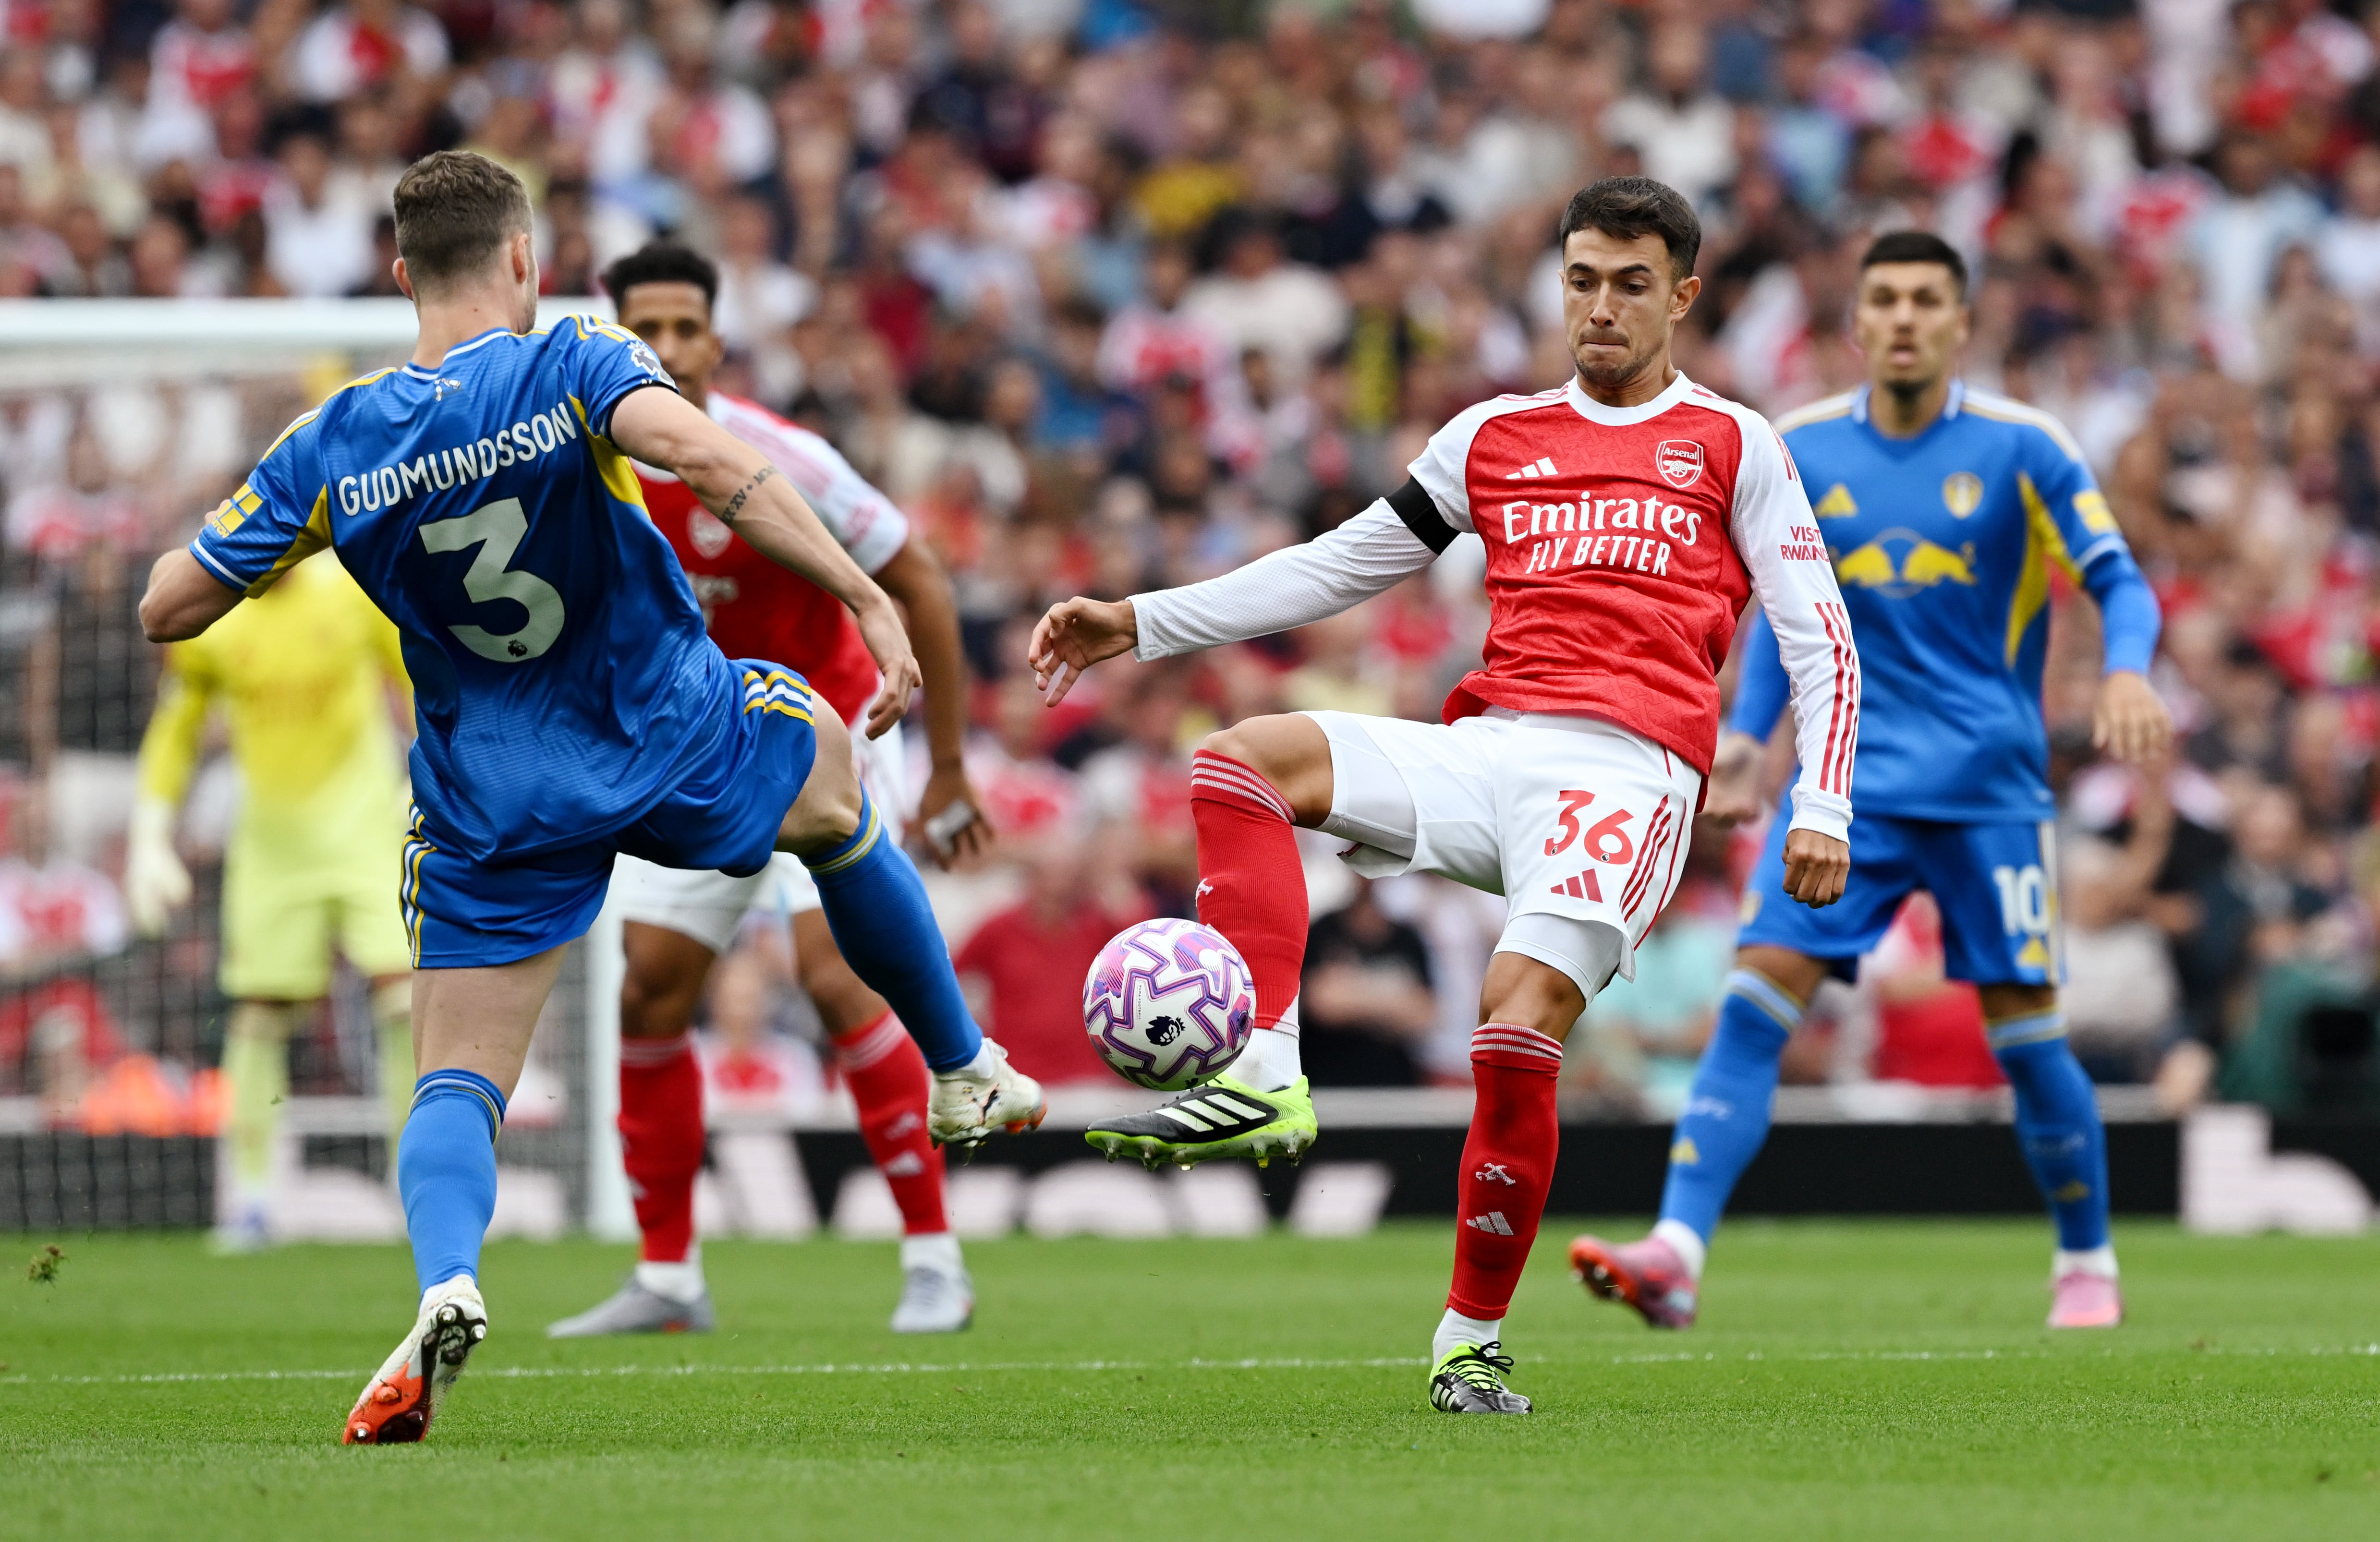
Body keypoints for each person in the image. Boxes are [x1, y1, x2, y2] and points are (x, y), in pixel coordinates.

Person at [137, 151, 1044, 1447]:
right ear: (525, 261)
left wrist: (290, 522)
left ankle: (449, 1280)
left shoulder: (329, 441)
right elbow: (710, 462)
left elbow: (170, 605)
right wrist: (864, 591)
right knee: (833, 784)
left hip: (493, 795)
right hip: (667, 729)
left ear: (400, 276)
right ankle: (960, 1065)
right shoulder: (572, 358)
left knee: (454, 1076)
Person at [1027, 177, 1860, 1415]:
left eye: (1632, 284)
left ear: (1682, 296)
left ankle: (1468, 1342)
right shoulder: (1492, 437)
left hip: (1628, 777)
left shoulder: (1736, 442)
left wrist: (1824, 805)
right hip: (1490, 749)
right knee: (1243, 758)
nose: (1602, 307)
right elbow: (1335, 566)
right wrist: (1139, 624)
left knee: (1513, 1030)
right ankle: (1264, 1062)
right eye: (1582, 279)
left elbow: (1822, 637)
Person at [1569, 231, 2171, 1336]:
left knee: (2027, 1033)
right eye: (1883, 299)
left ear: (1959, 323)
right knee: (1754, 1002)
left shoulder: (2023, 447)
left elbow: (2118, 579)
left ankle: (2086, 1260)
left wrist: (2126, 669)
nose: (1901, 317)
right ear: (1856, 323)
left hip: (1991, 792)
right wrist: (1748, 738)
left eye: (1924, 300)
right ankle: (1678, 1252)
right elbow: (1765, 614)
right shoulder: (1791, 449)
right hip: (1846, 796)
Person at [546, 241, 989, 1339]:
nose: (668, 348)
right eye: (644, 327)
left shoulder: (783, 454)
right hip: (688, 747)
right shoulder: (584, 470)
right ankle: (668, 1277)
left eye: (687, 327)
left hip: (828, 732)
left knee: (839, 979)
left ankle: (935, 1260)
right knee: (649, 986)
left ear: (718, 341)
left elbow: (917, 574)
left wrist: (945, 762)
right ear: (614, 338)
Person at [127, 551, 415, 1252]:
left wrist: (441, 776)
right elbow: (178, 726)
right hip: (272, 846)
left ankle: (419, 1191)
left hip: (367, 829)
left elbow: (416, 677)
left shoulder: (352, 591)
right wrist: (150, 830)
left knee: (405, 1002)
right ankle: (251, 1199)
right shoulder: (212, 622)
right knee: (257, 1017)